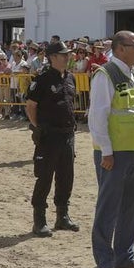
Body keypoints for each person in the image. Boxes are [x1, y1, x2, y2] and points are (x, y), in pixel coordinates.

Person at [89, 30, 134, 268]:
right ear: (119, 48)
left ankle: (125, 258)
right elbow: (98, 116)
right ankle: (105, 265)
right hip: (114, 154)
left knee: (132, 208)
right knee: (108, 209)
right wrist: (105, 150)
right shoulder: (106, 75)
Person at [25, 40, 80, 237]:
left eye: (68, 55)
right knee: (45, 178)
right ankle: (39, 220)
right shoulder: (42, 80)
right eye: (63, 55)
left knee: (66, 177)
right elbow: (31, 106)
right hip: (49, 136)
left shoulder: (70, 78)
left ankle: (62, 216)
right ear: (52, 58)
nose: (68, 57)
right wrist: (38, 127)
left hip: (67, 135)